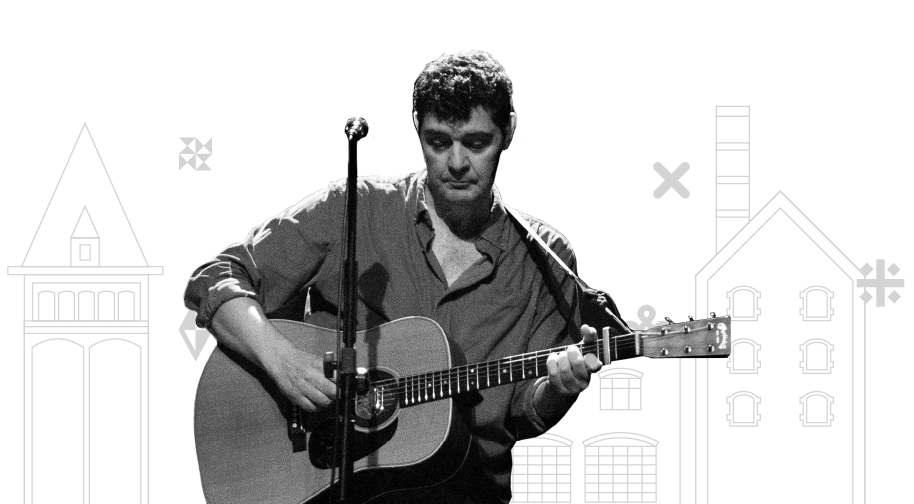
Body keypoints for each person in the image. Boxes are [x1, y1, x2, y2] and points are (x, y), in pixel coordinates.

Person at [184, 50, 603, 504]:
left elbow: (524, 411)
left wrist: (559, 388)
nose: (456, 162)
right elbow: (217, 278)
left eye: (476, 143)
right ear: (417, 127)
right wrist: (283, 362)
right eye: (438, 142)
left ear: (509, 132)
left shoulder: (547, 259)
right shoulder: (355, 208)